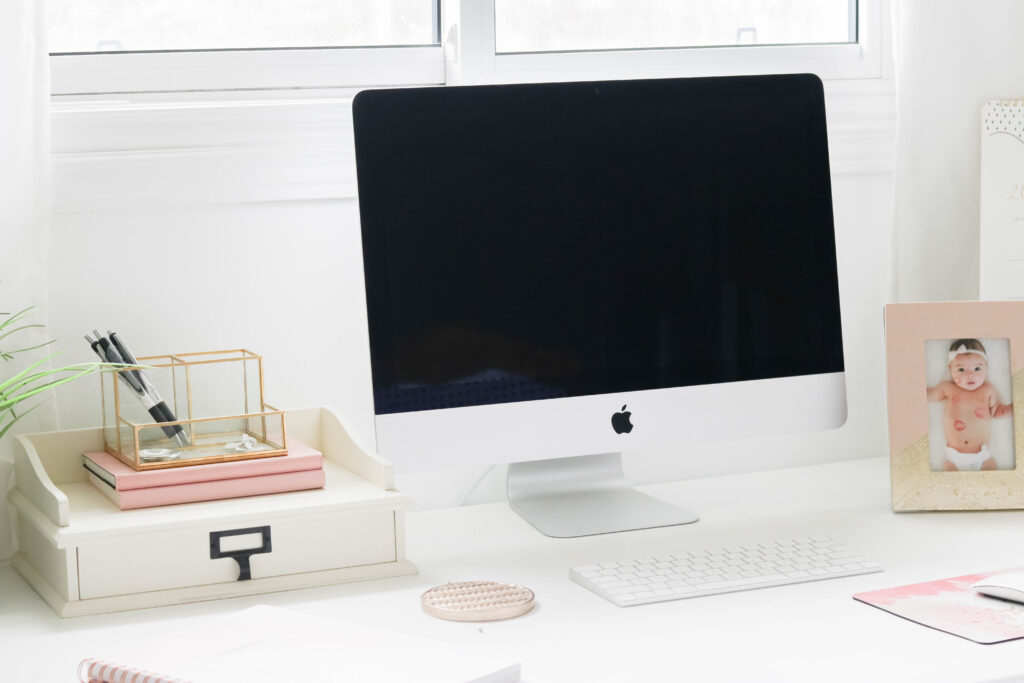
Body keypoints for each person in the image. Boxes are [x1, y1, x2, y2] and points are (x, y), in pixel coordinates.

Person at [927, 339, 1012, 471]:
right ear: (950, 369)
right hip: (953, 457)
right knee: (947, 482)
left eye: (977, 368)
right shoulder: (947, 388)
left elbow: (997, 411)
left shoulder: (987, 390)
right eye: (961, 369)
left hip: (983, 456)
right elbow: (928, 396)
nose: (970, 375)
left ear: (986, 367)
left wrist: (1013, 408)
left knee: (991, 480)